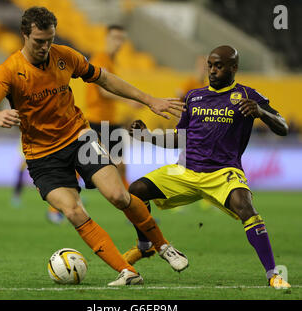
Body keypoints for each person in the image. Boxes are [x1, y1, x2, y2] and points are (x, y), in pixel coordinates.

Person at [0, 6, 188, 286]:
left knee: (119, 196)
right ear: (24, 35)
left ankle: (162, 246)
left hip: (79, 138)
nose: (45, 46)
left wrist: (149, 100)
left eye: (49, 39)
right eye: (39, 41)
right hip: (41, 156)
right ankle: (128, 272)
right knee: (74, 211)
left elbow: (105, 78)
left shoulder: (65, 56)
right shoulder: (10, 70)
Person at [123, 45, 291, 289]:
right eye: (210, 66)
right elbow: (181, 138)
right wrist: (147, 136)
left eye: (219, 66)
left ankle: (273, 275)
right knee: (136, 190)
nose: (212, 71)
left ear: (234, 68)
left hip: (223, 173)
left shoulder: (247, 95)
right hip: (187, 170)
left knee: (246, 208)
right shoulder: (194, 96)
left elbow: (283, 127)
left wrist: (261, 112)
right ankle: (146, 246)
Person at [84, 24, 141, 189]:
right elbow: (103, 91)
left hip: (110, 121)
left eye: (122, 39)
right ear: (106, 38)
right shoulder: (100, 59)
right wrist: (129, 100)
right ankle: (55, 209)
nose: (119, 42)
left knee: (121, 166)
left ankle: (135, 209)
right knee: (84, 165)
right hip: (97, 119)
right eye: (115, 38)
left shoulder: (111, 61)